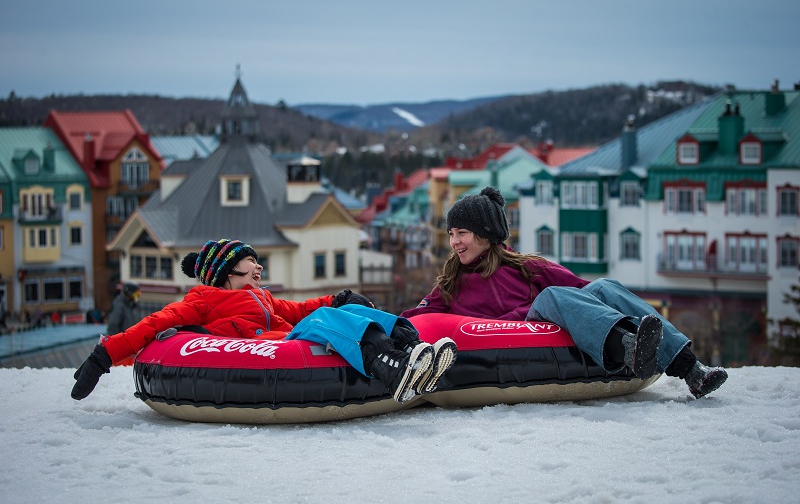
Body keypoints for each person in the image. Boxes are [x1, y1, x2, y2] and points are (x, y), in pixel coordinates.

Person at [401, 187, 727, 399]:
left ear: (486, 234)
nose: (455, 242)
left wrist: (608, 301)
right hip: (508, 334)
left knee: (603, 285)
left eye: (462, 233)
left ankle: (690, 369)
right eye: (452, 234)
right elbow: (416, 318)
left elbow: (587, 291)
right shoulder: (450, 284)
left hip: (555, 323)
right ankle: (627, 346)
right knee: (550, 297)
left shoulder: (528, 267)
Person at [72, 239, 457, 403]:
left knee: (345, 311)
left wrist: (339, 298)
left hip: (290, 340)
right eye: (249, 262)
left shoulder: (264, 297)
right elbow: (154, 324)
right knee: (326, 319)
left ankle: (410, 349)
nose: (258, 267)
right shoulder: (204, 299)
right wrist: (104, 355)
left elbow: (297, 309)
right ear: (225, 270)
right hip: (269, 353)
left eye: (257, 261)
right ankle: (388, 367)